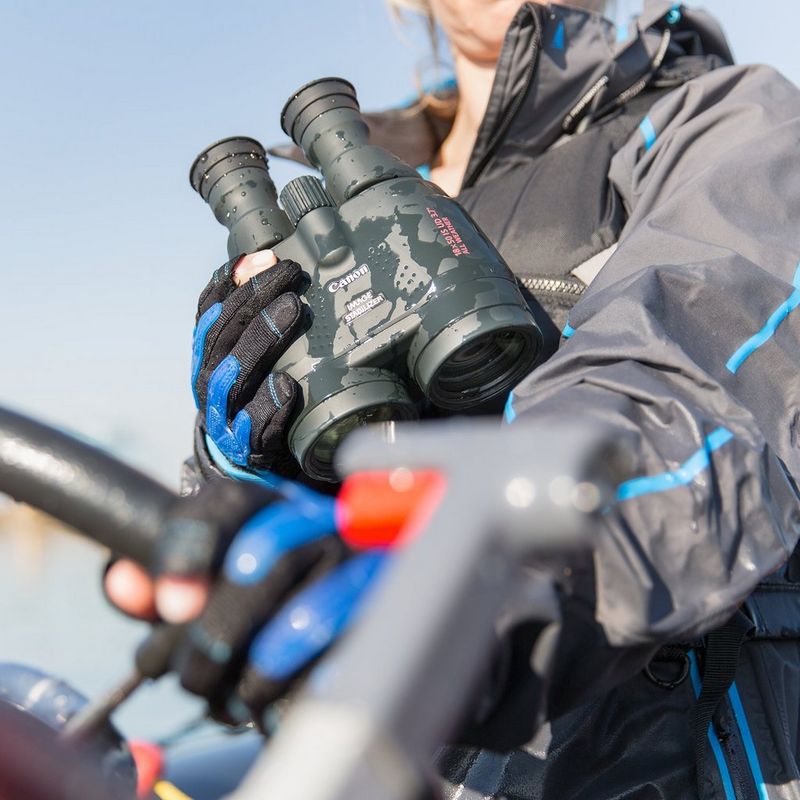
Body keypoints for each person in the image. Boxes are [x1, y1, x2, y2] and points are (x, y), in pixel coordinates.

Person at [106, 1, 800, 797]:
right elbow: (265, 564)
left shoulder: (726, 120)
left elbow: (694, 377)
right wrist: (248, 467)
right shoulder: (343, 198)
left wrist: (488, 565)